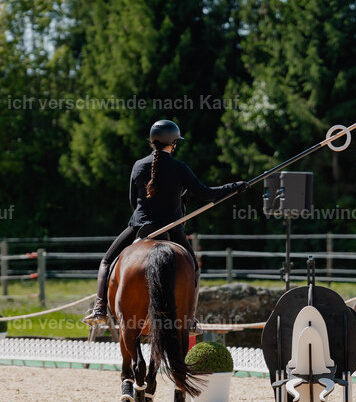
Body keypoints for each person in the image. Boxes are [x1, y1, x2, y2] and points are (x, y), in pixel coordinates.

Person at [83, 119, 246, 326]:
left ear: (152, 142)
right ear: (174, 143)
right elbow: (206, 194)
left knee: (107, 261)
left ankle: (99, 309)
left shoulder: (138, 165)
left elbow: (134, 202)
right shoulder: (180, 168)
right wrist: (235, 186)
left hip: (139, 226)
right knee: (194, 269)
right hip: (173, 230)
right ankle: (190, 319)